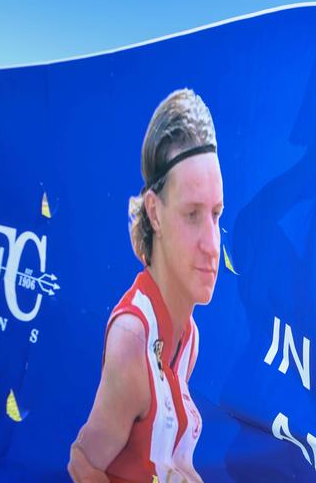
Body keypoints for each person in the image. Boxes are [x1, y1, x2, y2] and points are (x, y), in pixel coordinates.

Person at [68, 89, 223, 483]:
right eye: (192, 214)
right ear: (155, 211)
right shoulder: (132, 339)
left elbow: (162, 458)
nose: (212, 244)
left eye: (217, 214)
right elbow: (83, 463)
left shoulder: (188, 336)